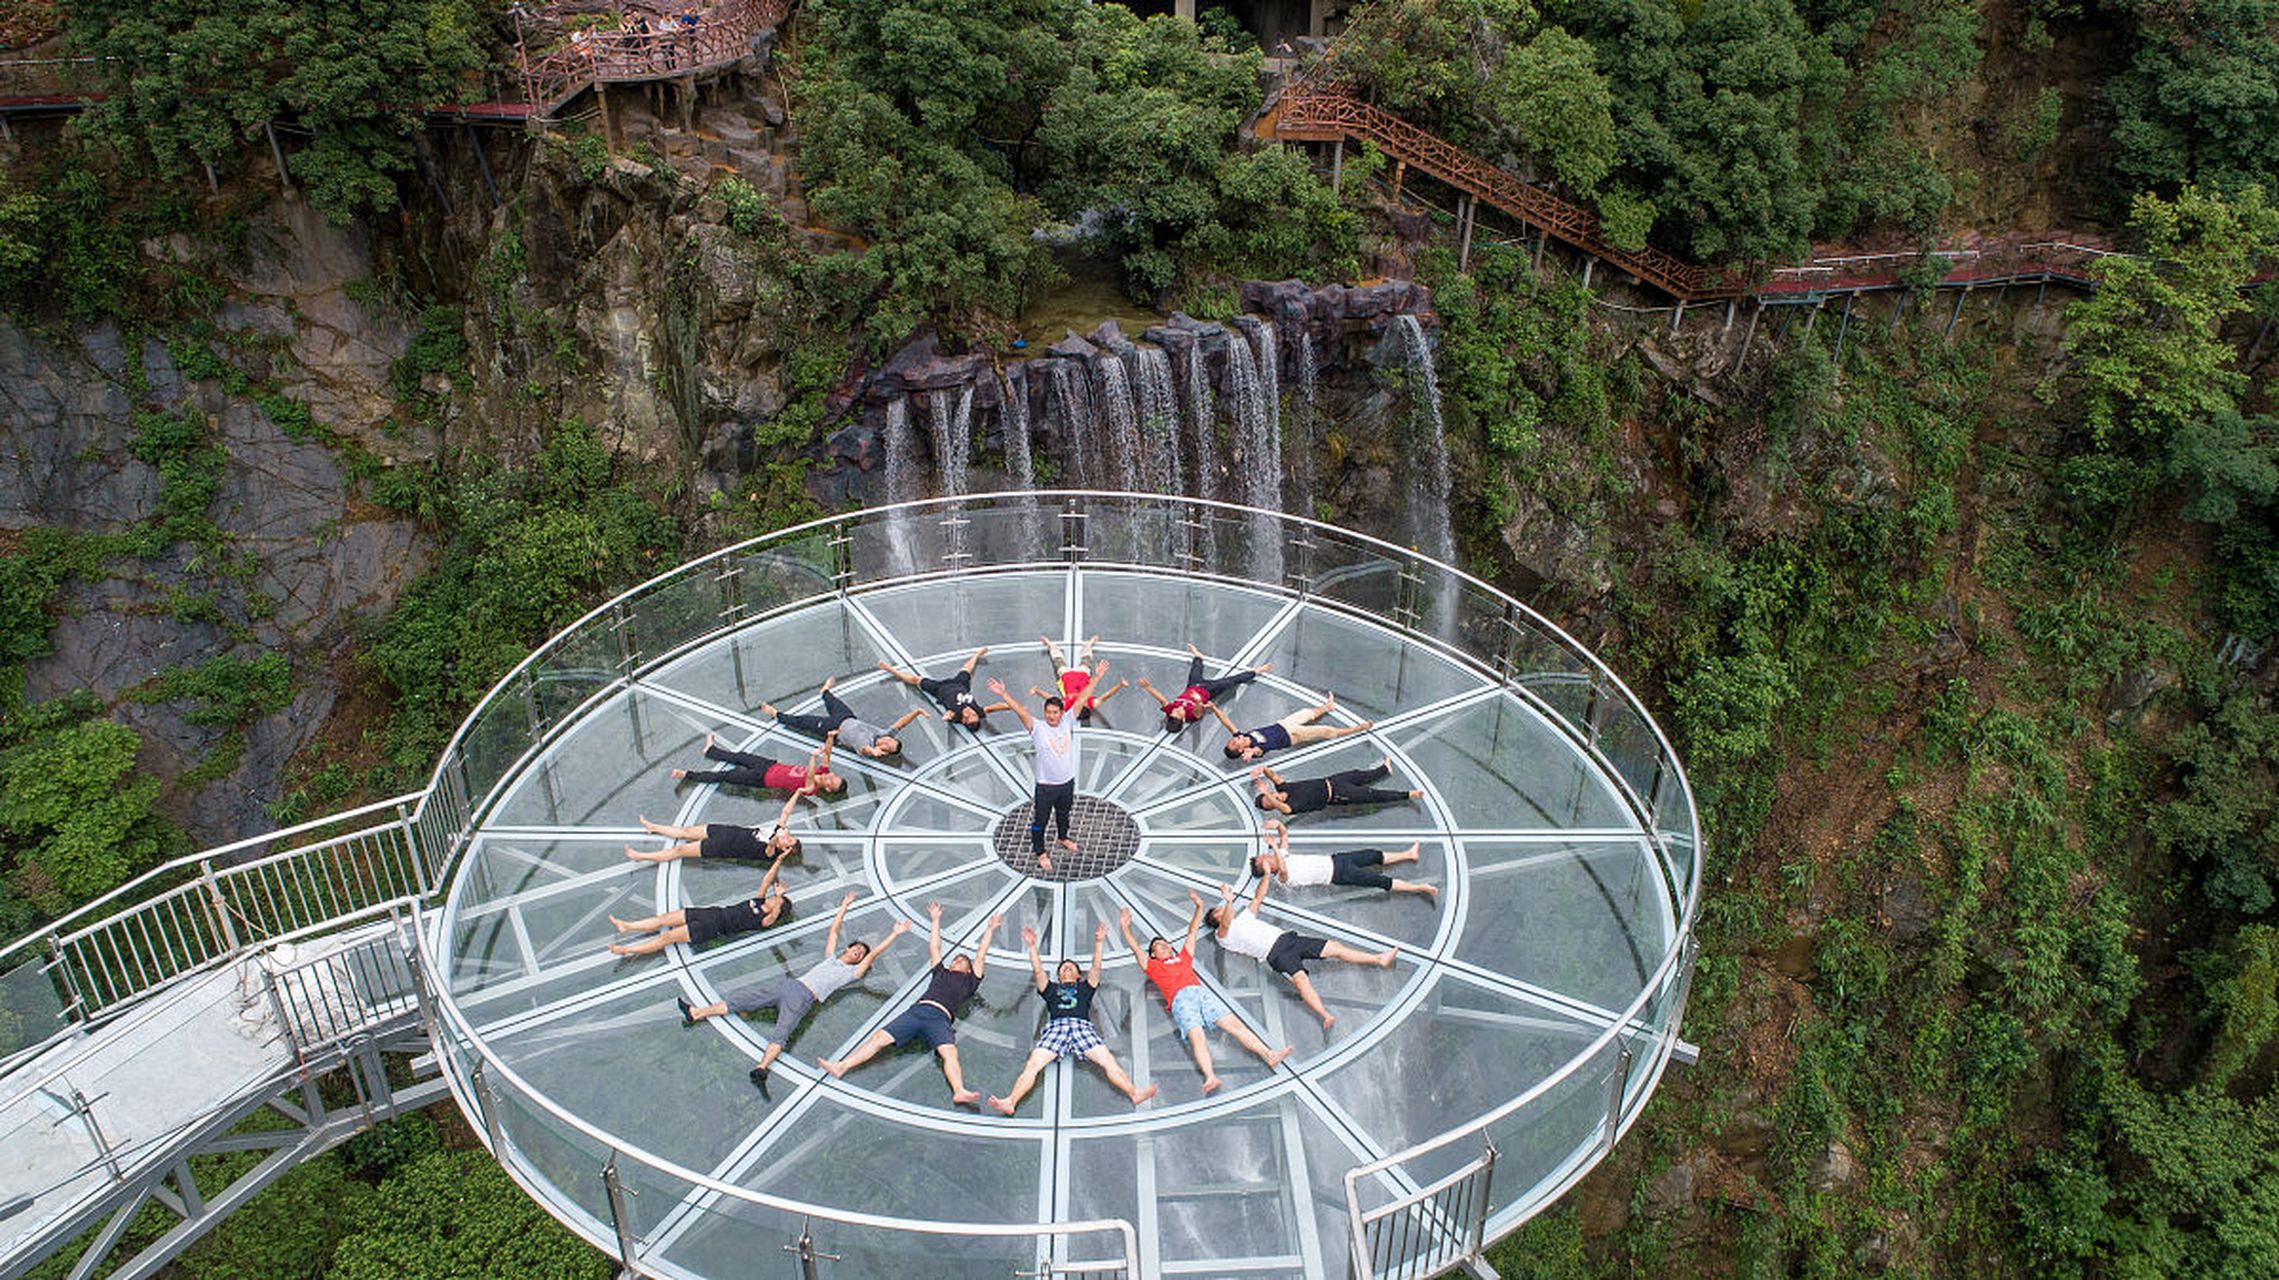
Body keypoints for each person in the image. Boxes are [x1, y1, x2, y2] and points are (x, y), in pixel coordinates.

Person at [677, 889, 909, 1091]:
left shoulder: (851, 973)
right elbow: (834, 932)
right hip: (790, 986)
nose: (858, 953)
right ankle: (696, 1013)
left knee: (783, 1031)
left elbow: (875, 953)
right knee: (741, 1000)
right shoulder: (831, 959)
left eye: (860, 954)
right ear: (848, 949)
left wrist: (894, 934)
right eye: (856, 949)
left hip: (804, 997)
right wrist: (844, 906)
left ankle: (762, 1067)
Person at [819, 903, 1001, 1105]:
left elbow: (981, 954)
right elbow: (934, 947)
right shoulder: (941, 972)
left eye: (962, 962)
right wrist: (935, 920)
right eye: (955, 960)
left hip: (940, 1018)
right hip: (918, 1011)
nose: (957, 962)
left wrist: (990, 930)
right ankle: (841, 1066)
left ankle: (959, 1090)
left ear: (969, 969)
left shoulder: (971, 981)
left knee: (949, 1052)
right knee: (878, 1038)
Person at [987, 923, 1159, 1115]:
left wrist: (1100, 942)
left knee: (1108, 1061)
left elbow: (1096, 967)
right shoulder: (1051, 989)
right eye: (1063, 968)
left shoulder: (1085, 987)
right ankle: (1010, 1101)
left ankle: (1134, 1093)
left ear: (1078, 975)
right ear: (1058, 976)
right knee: (1033, 1064)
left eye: (1071, 967)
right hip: (1056, 1028)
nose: (1066, 968)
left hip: (1082, 1027)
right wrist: (1033, 947)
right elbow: (1038, 971)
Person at [1116, 905, 1291, 1094]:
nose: (1165, 945)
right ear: (1152, 954)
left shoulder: (1183, 958)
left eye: (1165, 943)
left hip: (1200, 993)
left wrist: (1199, 908)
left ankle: (1269, 1054)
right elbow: (1135, 947)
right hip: (1180, 1000)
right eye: (1159, 945)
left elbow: (1192, 933)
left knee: (1235, 1025)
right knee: (1197, 1037)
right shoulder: (1152, 965)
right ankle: (1210, 1077)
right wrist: (1126, 927)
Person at [1203, 881, 1397, 1031]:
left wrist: (1268, 874)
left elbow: (1258, 898)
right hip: (1275, 953)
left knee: (1335, 948)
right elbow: (1226, 923)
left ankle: (1379, 959)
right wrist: (1228, 900)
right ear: (1216, 920)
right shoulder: (1223, 937)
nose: (1224, 910)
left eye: (1222, 908)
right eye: (1219, 912)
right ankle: (1324, 1015)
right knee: (1301, 981)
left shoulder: (1243, 917)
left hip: (1289, 939)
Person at [607, 851, 793, 956]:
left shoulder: (763, 919)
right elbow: (766, 881)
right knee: (664, 919)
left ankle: (628, 950)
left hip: (713, 927)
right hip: (710, 913)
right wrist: (779, 859)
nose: (772, 896)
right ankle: (627, 926)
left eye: (776, 899)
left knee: (667, 938)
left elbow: (772, 918)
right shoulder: (758, 901)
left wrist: (779, 898)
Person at [989, 676, 1078, 874]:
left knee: (1064, 814)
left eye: (1055, 712)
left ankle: (1063, 837)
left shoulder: (1068, 722)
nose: (1051, 716)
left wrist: (1096, 677)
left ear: (1062, 713)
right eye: (1048, 712)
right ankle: (1040, 852)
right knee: (1040, 822)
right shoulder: (1038, 728)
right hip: (1046, 787)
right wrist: (1004, 694)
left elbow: (1082, 700)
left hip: (1067, 783)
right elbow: (1021, 711)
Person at [1251, 819, 1436, 901]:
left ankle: (1408, 854)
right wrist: (1274, 846)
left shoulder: (1281, 856)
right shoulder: (1281, 878)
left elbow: (1284, 835)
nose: (1266, 854)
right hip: (1339, 874)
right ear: (1266, 866)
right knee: (1380, 881)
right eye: (1263, 858)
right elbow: (1282, 869)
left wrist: (1277, 824)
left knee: (1372, 854)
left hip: (1337, 860)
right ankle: (1420, 888)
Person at [762, 676, 922, 758]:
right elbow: (900, 724)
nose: (886, 741)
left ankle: (776, 714)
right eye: (890, 741)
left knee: (803, 721)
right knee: (830, 699)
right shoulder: (883, 734)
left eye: (888, 746)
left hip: (833, 729)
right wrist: (916, 713)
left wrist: (873, 751)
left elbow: (865, 750)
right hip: (846, 716)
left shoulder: (866, 746)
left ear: (884, 751)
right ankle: (824, 690)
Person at [624, 794, 803, 863]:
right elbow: (786, 812)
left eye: (789, 840)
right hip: (725, 831)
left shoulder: (771, 854)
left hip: (720, 847)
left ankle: (640, 857)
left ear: (785, 848)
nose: (788, 836)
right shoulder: (777, 833)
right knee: (686, 831)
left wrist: (779, 837)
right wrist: (798, 792)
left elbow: (770, 846)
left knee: (679, 850)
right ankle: (653, 827)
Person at [1138, 643, 1271, 733]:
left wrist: (1148, 687)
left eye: (1174, 712)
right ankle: (1257, 671)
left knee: (1196, 668)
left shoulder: (1171, 711)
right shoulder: (1191, 716)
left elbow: (1162, 700)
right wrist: (1198, 701)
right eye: (1179, 713)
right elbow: (1198, 711)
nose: (1177, 709)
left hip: (1192, 686)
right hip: (1208, 690)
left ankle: (1198, 655)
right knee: (1232, 681)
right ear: (1183, 720)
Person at [672, 730, 844, 796]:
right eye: (833, 776)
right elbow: (828, 755)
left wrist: (813, 757)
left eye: (831, 781)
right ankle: (710, 750)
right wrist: (829, 737)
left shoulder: (811, 789)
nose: (829, 776)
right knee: (740, 756)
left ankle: (687, 774)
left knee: (725, 776)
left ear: (828, 789)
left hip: (761, 778)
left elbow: (810, 777)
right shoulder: (823, 771)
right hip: (770, 766)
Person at [1218, 691, 1374, 762]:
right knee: (1325, 731)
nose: (1234, 739)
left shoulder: (1244, 735)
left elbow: (1227, 722)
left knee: (1306, 713)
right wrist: (1250, 752)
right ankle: (1358, 728)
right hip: (1293, 736)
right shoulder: (1253, 748)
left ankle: (1328, 707)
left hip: (1284, 724)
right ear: (1240, 750)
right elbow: (1258, 751)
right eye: (1233, 743)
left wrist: (1214, 708)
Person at [877, 649, 1010, 732]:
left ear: (964, 721)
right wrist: (1012, 706)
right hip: (960, 685)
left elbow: (947, 716)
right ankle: (977, 655)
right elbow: (994, 708)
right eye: (974, 715)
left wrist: (946, 716)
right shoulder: (979, 711)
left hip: (939, 688)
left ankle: (890, 669)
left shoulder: (956, 715)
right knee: (967, 668)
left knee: (915, 679)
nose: (971, 713)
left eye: (969, 717)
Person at [1250, 759, 1421, 816]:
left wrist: (1263, 769)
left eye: (1271, 797)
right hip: (1338, 795)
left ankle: (1384, 769)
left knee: (1360, 775)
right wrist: (1266, 793)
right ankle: (1408, 794)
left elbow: (1274, 776)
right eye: (1271, 804)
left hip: (1333, 781)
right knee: (1373, 794)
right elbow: (1284, 809)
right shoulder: (1289, 807)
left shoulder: (1284, 788)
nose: (1274, 799)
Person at [1038, 634, 1128, 723]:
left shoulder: (1066, 706)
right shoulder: (1092, 703)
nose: (1081, 701)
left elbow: (1051, 699)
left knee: (1057, 657)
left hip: (1065, 675)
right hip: (1083, 673)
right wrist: (1120, 685)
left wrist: (1037, 691)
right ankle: (1089, 643)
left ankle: (1050, 644)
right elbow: (1107, 695)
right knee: (1087, 653)